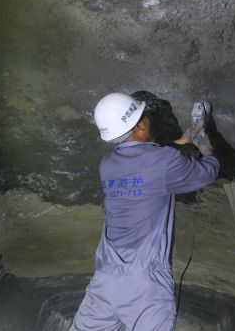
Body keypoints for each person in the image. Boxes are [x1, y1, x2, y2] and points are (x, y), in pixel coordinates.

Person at [70, 93, 219, 331]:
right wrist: (204, 143)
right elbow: (208, 172)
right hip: (144, 283)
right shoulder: (163, 161)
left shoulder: (107, 165)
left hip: (104, 282)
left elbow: (148, 161)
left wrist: (187, 136)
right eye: (145, 117)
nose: (148, 120)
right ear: (139, 125)